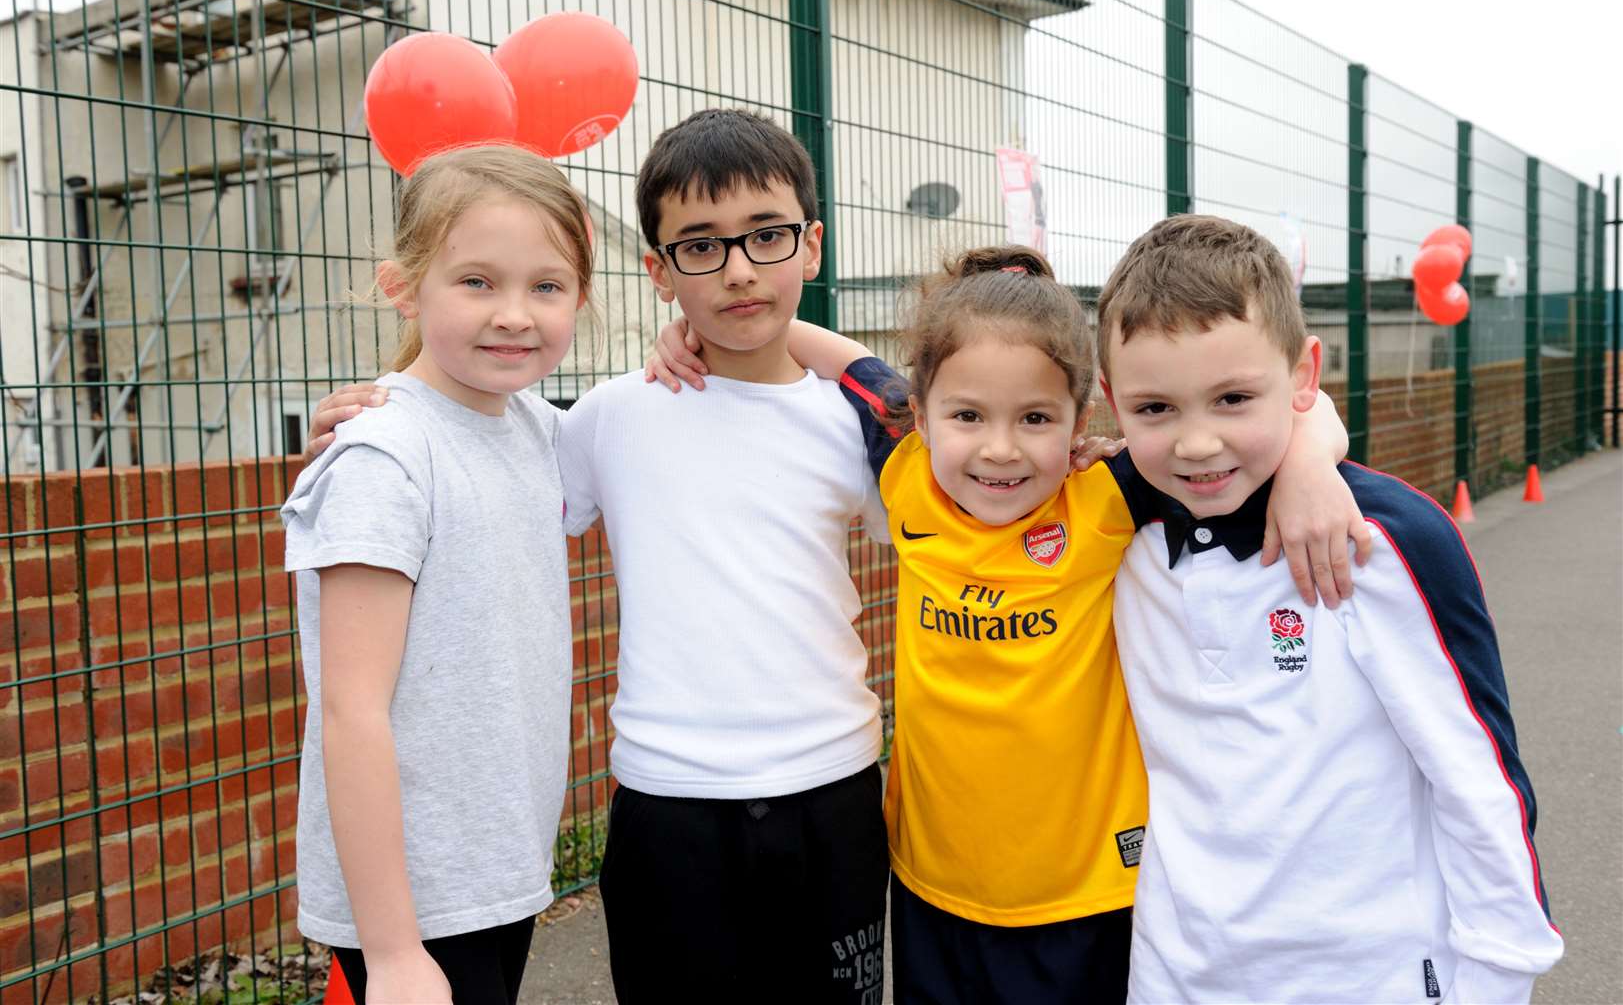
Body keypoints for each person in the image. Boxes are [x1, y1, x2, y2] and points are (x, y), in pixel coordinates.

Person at [649, 243, 1368, 1004]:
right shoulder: (902, 469)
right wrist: (692, 333)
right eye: (966, 416)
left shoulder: (1109, 495)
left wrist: (1311, 462)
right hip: (930, 882)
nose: (999, 449)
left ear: (1080, 420)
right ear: (918, 415)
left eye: (1034, 418)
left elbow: (1291, 406)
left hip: (1089, 892)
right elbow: (834, 352)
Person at [306, 109, 888, 1003]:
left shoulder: (847, 425)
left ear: (810, 245)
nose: (736, 269)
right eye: (699, 248)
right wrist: (371, 418)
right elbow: (353, 697)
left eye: (766, 238)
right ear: (656, 275)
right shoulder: (602, 422)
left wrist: (799, 345)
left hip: (831, 791)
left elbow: (940, 429)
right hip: (661, 813)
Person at [1096, 214, 1564, 1003]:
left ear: (1304, 375)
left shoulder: (1387, 543)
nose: (1197, 443)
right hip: (1177, 970)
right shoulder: (1108, 530)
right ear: (1110, 401)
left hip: (1372, 974)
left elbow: (1477, 777)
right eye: (1154, 410)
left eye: (1234, 398)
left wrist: (1499, 971)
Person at [281, 145, 592, 1004]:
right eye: (477, 282)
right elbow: (350, 711)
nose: (515, 315)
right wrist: (390, 952)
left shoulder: (530, 425)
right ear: (403, 286)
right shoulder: (385, 458)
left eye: (547, 286)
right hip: (413, 909)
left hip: (496, 866)